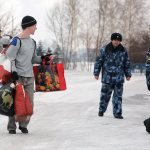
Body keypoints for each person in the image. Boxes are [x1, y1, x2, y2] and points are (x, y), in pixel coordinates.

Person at [6, 16, 50, 134]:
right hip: (18, 76)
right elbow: (10, 56)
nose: (36, 28)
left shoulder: (32, 42)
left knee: (29, 102)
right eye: (34, 26)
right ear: (29, 26)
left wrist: (43, 58)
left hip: (29, 77)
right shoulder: (16, 40)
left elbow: (33, 58)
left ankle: (23, 125)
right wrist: (14, 72)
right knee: (16, 102)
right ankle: (11, 127)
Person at [94, 33, 131, 119]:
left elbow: (127, 63)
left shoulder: (123, 51)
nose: (116, 42)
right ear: (112, 40)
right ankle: (101, 110)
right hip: (107, 78)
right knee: (104, 95)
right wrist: (96, 73)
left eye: (118, 40)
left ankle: (117, 113)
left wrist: (128, 74)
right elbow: (99, 61)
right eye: (115, 40)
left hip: (119, 78)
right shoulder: (104, 49)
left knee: (118, 97)